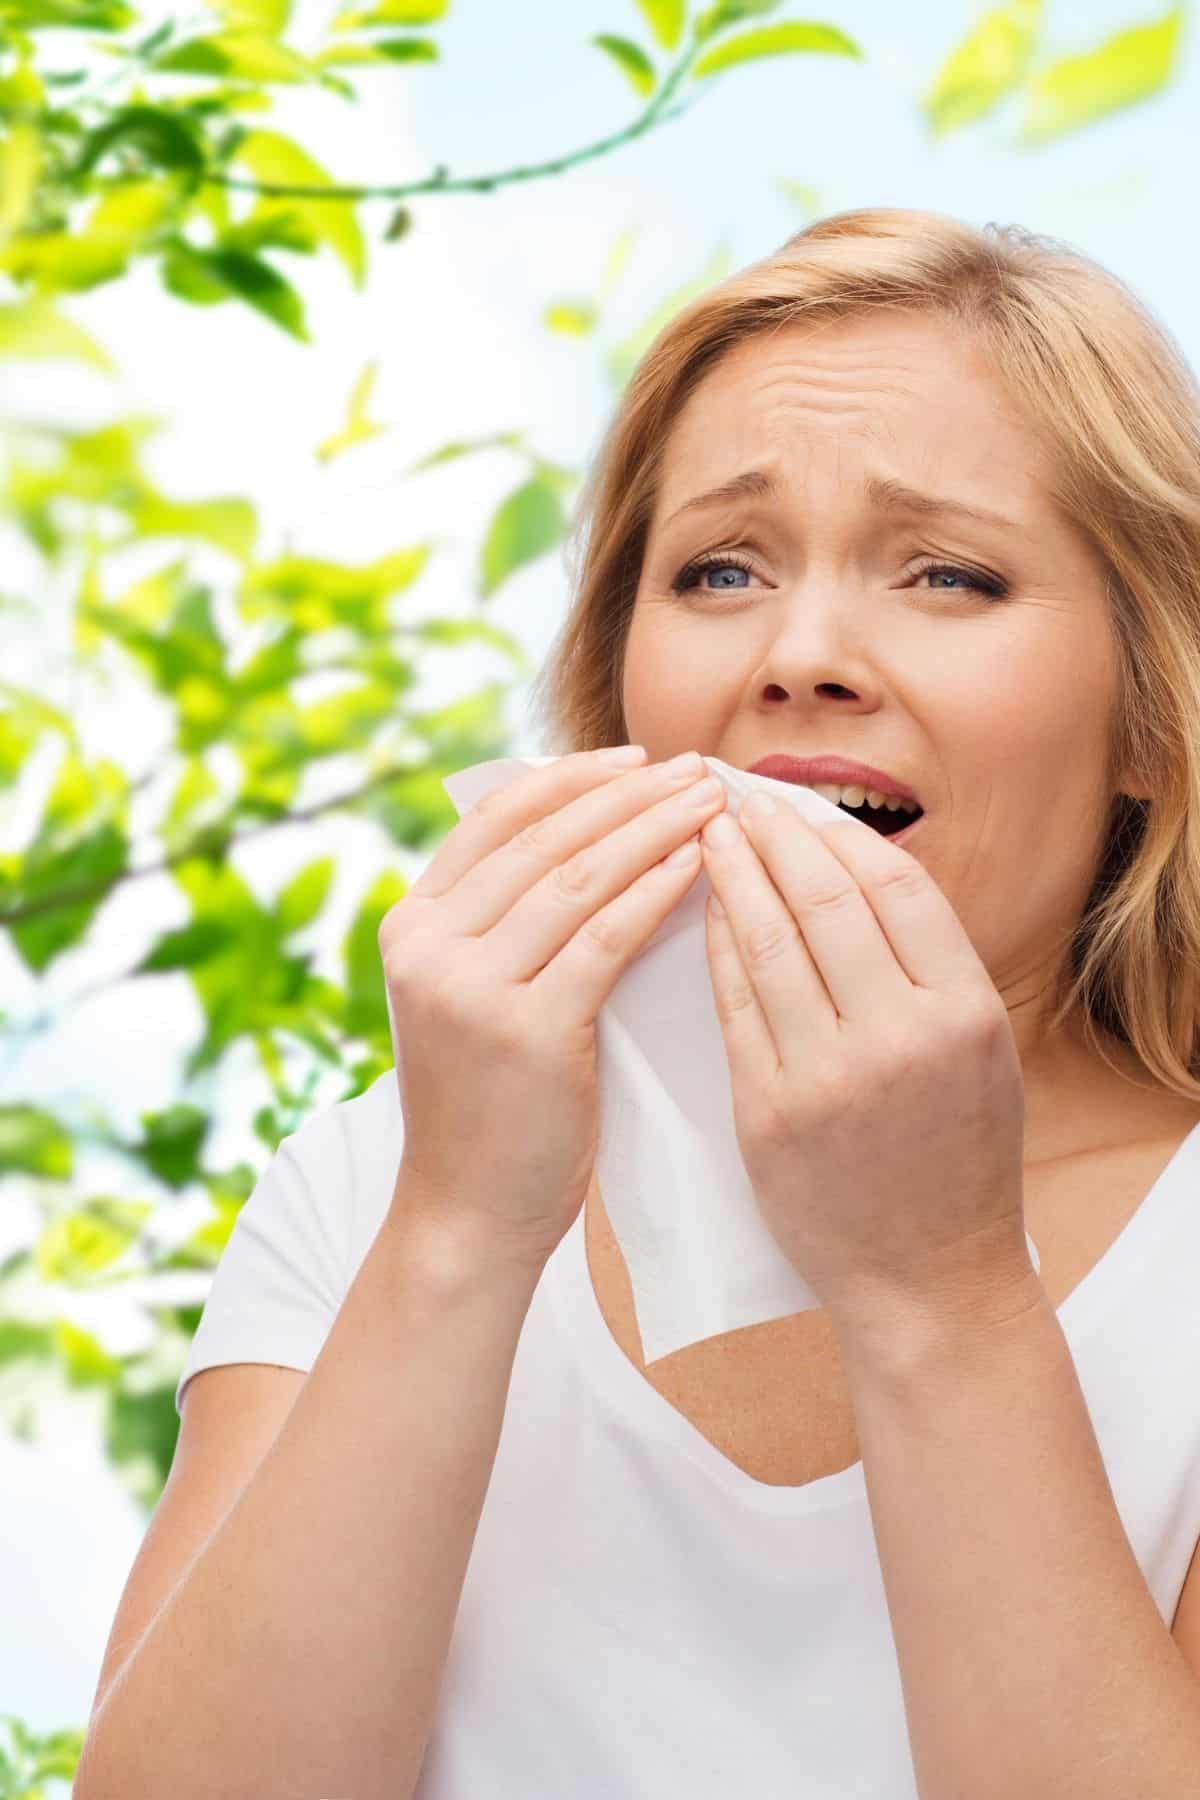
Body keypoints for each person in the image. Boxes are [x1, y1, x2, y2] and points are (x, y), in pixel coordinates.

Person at [75, 208, 1200, 1800]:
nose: (803, 654)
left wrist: (940, 1293)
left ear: (1154, 711)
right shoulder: (379, 1179)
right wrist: (459, 1228)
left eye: (949, 574)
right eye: (719, 569)